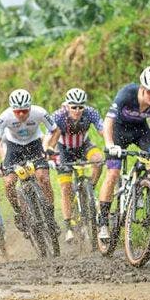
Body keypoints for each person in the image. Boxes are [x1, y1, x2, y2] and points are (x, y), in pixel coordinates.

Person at [97, 66, 150, 240]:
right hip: (118, 132)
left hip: (140, 132)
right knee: (113, 174)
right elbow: (108, 121)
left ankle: (140, 181)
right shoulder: (127, 93)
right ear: (142, 88)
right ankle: (103, 221)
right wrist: (109, 144)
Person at [0, 88, 60, 238]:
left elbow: (56, 131)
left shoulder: (39, 112)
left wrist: (50, 148)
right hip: (13, 148)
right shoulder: (4, 117)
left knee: (44, 178)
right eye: (18, 111)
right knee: (8, 183)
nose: (21, 114)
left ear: (30, 107)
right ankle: (19, 212)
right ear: (12, 109)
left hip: (34, 144)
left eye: (25, 111)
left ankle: (51, 218)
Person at [45, 88, 105, 242]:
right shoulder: (59, 116)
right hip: (63, 151)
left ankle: (90, 188)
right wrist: (47, 152)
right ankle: (68, 227)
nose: (77, 110)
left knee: (98, 159)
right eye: (74, 107)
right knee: (66, 188)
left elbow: (103, 129)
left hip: (84, 146)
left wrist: (112, 143)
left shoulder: (90, 112)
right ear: (67, 106)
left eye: (80, 107)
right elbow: (49, 137)